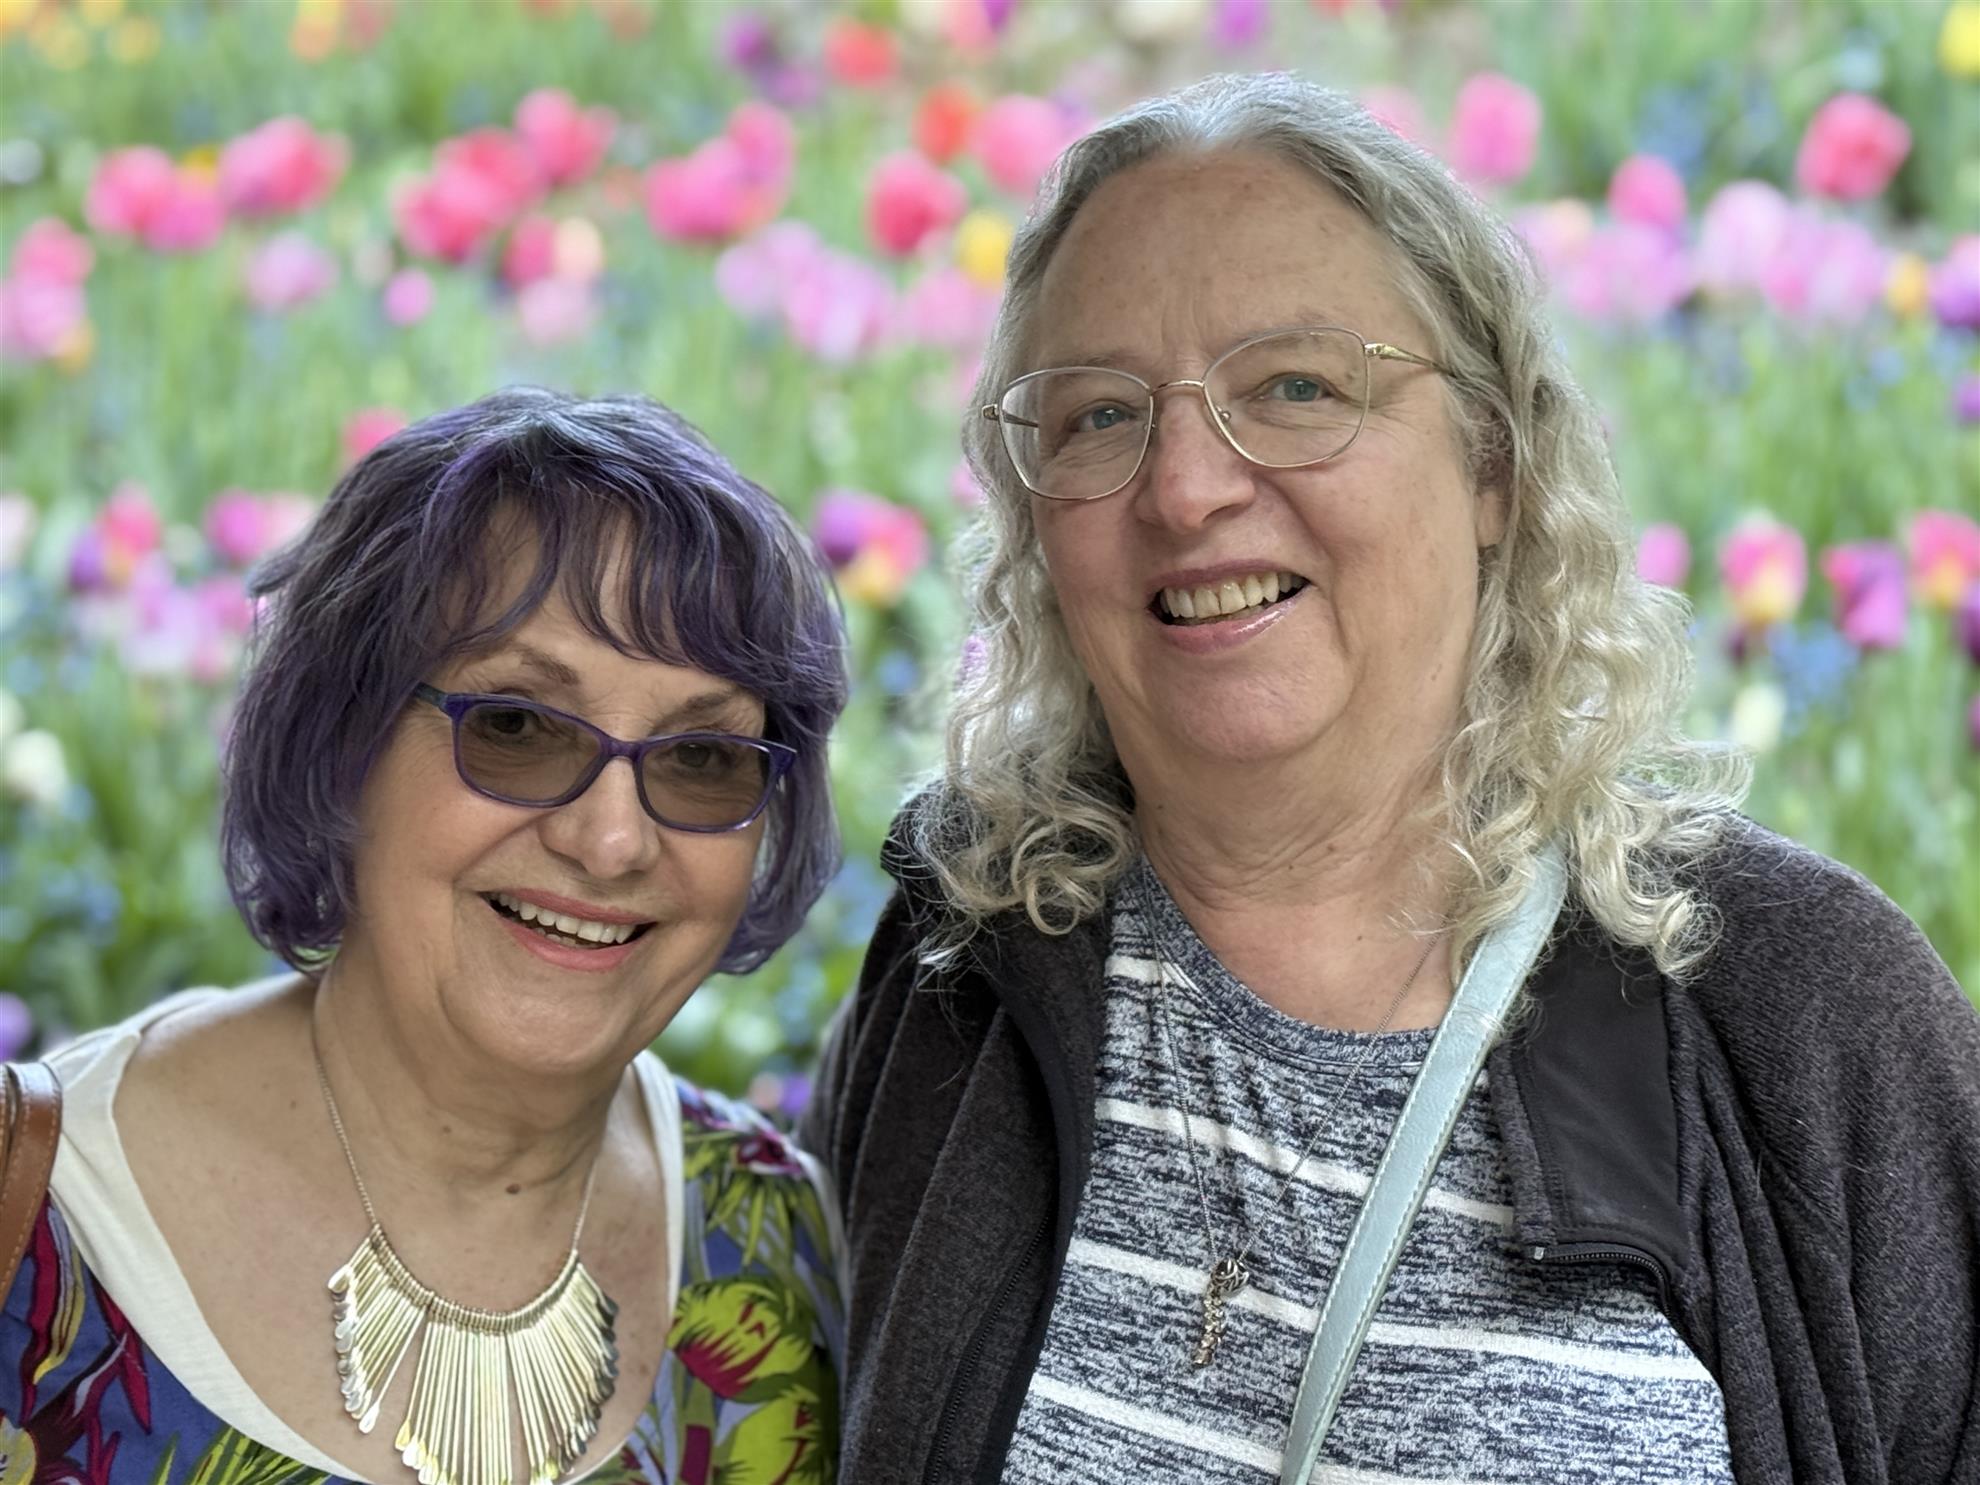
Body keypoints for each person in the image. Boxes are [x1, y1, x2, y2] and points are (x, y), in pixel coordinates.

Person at [799, 72, 1980, 1485]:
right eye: (1100, 416)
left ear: (1493, 461)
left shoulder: (1802, 1014)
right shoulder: (968, 960)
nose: (1184, 489)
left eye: (1297, 386)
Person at [2, 388, 850, 1485]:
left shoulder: (787, 1242)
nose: (611, 841)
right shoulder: (34, 1215)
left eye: (702, 758)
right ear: (340, 743)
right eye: (518, 726)